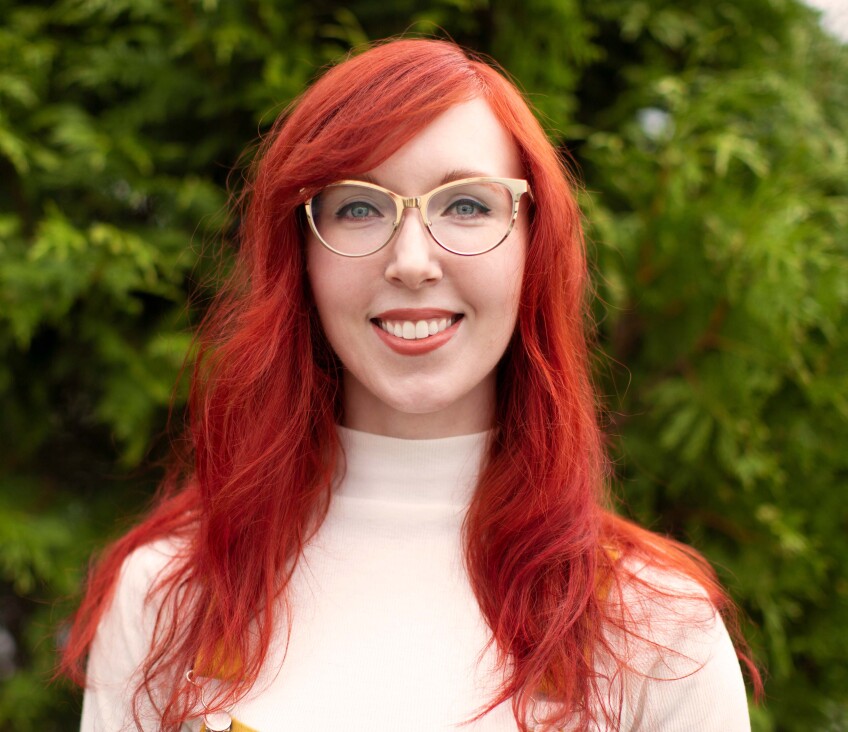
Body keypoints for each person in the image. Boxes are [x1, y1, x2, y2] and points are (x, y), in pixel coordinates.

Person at [61, 38, 760, 731]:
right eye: (359, 208)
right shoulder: (170, 597)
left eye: (466, 205)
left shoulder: (655, 631)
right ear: (299, 255)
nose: (413, 260)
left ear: (533, 243)